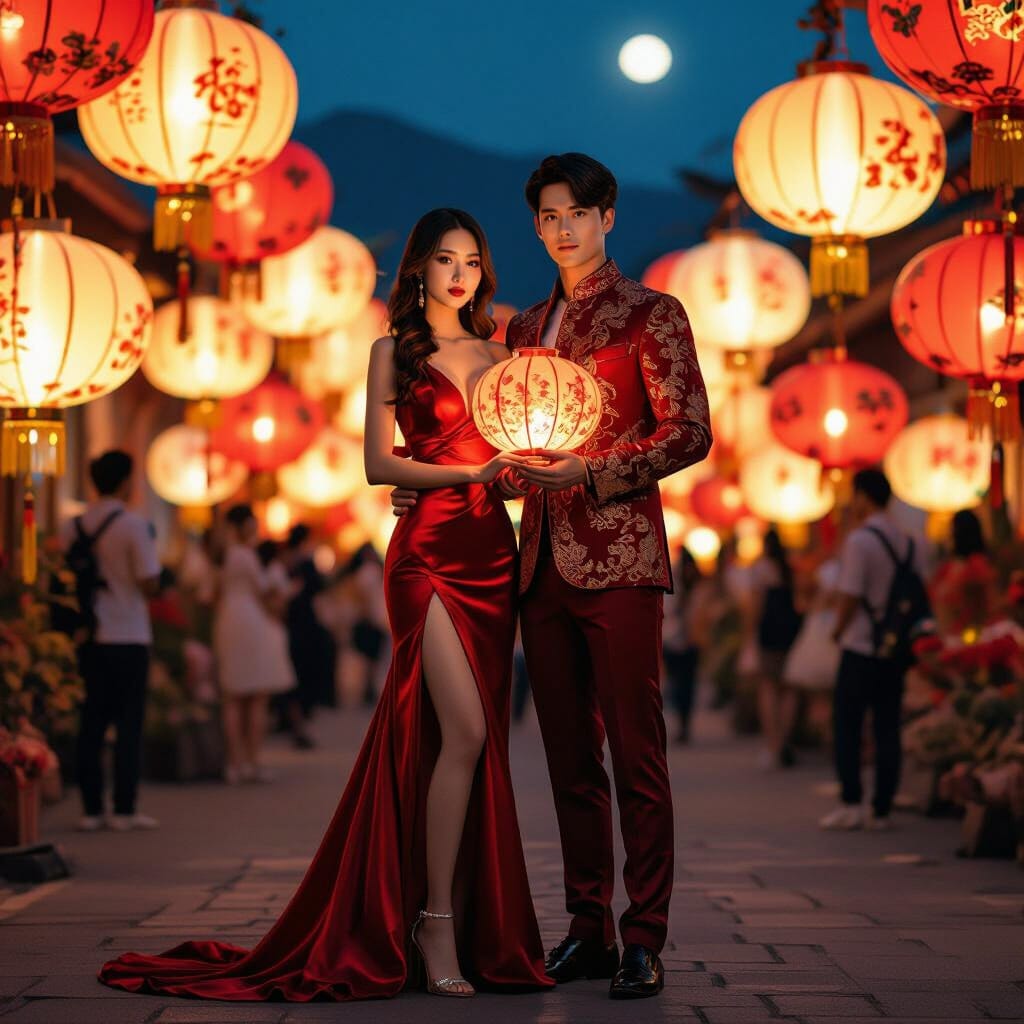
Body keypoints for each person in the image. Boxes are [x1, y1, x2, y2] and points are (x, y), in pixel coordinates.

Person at [99, 209, 549, 1001]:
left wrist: (515, 476)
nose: (459, 275)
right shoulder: (393, 352)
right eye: (444, 260)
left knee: (463, 737)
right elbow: (381, 466)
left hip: (492, 551)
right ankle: (434, 920)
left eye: (472, 261)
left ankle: (461, 915)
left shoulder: (505, 352)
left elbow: (518, 450)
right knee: (469, 727)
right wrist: (465, 479)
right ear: (416, 269)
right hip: (429, 556)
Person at [393, 155, 712, 998]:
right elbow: (512, 444)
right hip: (535, 564)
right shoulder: (524, 327)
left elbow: (690, 433)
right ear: (535, 227)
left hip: (620, 558)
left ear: (607, 216)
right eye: (547, 216)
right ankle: (587, 927)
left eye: (576, 213)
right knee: (570, 759)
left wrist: (596, 472)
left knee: (638, 754)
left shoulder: (652, 314)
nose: (562, 229)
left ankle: (645, 934)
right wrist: (434, 473)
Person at [821, 467, 928, 832]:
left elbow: (850, 594)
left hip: (860, 644)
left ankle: (852, 803)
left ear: (864, 496)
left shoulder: (860, 541)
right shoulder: (912, 542)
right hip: (895, 648)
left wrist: (836, 631)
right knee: (887, 726)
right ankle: (882, 808)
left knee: (848, 725)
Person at [64, 450, 162, 833]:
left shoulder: (73, 526)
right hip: (129, 633)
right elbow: (148, 581)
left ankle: (91, 808)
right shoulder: (134, 526)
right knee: (128, 723)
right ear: (124, 481)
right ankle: (124, 808)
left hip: (89, 635)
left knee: (91, 721)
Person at [213, 506, 295, 785]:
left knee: (232, 696)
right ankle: (252, 760)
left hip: (227, 620)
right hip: (250, 620)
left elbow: (207, 592)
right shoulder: (245, 554)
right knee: (257, 696)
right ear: (245, 524)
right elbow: (263, 588)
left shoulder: (221, 556)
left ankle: (234, 764)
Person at [747, 529, 803, 768]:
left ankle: (772, 744)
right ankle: (785, 741)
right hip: (791, 630)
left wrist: (749, 633)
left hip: (768, 630)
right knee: (789, 686)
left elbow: (754, 605)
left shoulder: (761, 568)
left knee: (768, 687)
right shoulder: (792, 566)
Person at [284, 524, 336, 711]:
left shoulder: (288, 560)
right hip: (304, 619)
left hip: (292, 618)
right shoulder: (304, 562)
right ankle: (305, 705)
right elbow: (317, 588)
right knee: (305, 663)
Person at [662, 549, 703, 745]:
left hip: (689, 643)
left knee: (686, 686)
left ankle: (684, 724)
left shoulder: (699, 589)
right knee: (679, 685)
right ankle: (681, 723)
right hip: (674, 642)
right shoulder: (675, 588)